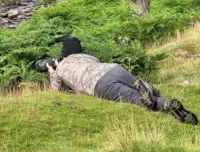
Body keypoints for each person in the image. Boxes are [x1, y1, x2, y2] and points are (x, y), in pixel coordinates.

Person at [36, 37, 198, 125]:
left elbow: (57, 90)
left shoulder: (62, 66)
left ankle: (164, 104)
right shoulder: (89, 56)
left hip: (99, 84)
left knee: (136, 100)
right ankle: (150, 91)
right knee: (138, 88)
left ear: (64, 54)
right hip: (114, 69)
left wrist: (52, 70)